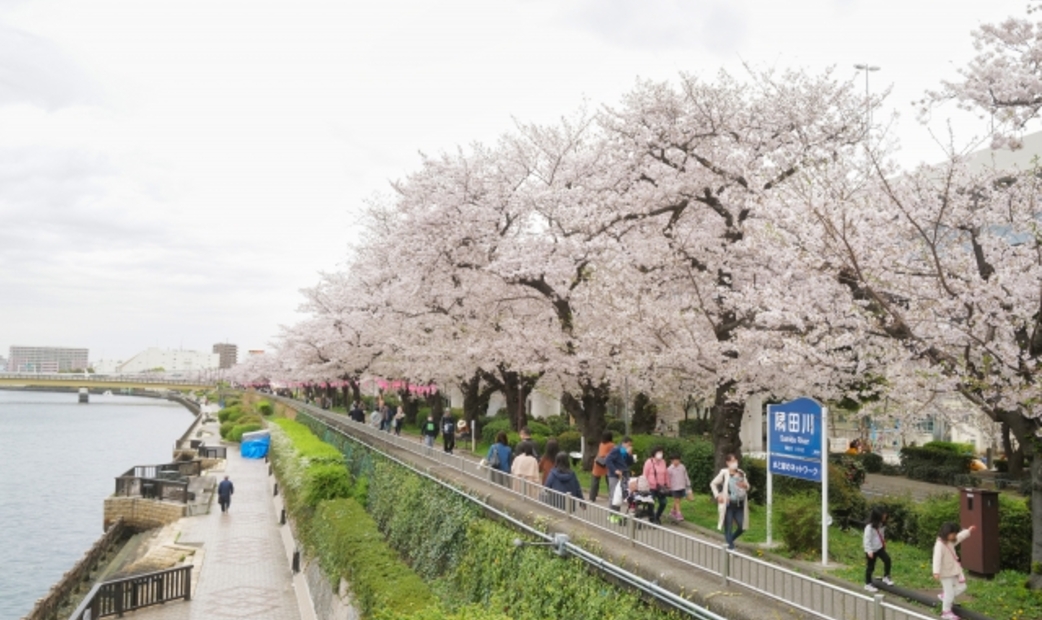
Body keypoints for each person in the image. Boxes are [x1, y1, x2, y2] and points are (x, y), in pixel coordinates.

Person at [933, 522, 975, 620]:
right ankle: (946, 612)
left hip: (953, 570)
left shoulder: (950, 541)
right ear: (947, 533)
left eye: (955, 534)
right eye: (953, 534)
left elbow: (960, 537)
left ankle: (945, 596)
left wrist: (968, 531)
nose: (955, 536)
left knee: (962, 587)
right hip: (945, 573)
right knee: (950, 593)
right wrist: (936, 571)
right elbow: (937, 558)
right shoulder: (940, 544)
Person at [710, 454, 749, 550]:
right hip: (728, 505)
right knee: (728, 526)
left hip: (739, 504)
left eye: (735, 460)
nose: (734, 463)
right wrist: (718, 495)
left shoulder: (741, 473)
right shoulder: (724, 473)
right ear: (727, 463)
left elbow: (747, 486)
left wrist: (745, 485)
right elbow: (713, 483)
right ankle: (731, 547)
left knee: (742, 526)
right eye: (731, 461)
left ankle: (729, 541)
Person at [863, 507, 894, 592]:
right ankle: (868, 584)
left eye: (885, 516)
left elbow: (881, 535)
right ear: (877, 516)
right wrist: (869, 551)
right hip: (871, 550)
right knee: (870, 567)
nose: (885, 518)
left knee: (887, 560)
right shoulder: (869, 527)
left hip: (879, 548)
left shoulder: (882, 525)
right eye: (883, 516)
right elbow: (866, 540)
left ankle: (886, 576)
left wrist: (883, 543)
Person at [605, 436, 635, 514]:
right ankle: (611, 514)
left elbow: (630, 463)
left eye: (630, 445)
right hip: (614, 475)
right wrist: (615, 470)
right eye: (628, 445)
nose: (629, 447)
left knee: (619, 495)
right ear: (623, 443)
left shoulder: (626, 452)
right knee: (613, 494)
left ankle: (616, 513)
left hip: (623, 475)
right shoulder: (616, 450)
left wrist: (630, 455)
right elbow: (608, 460)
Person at [642, 445, 669, 524]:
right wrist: (644, 486)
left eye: (661, 452)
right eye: (659, 452)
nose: (660, 454)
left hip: (661, 487)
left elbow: (666, 473)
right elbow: (645, 474)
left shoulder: (663, 462)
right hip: (651, 486)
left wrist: (668, 484)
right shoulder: (649, 462)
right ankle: (652, 518)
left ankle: (657, 516)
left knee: (663, 502)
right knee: (651, 502)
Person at [590, 430, 615, 503]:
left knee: (595, 481)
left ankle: (592, 497)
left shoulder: (601, 444)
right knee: (609, 481)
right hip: (606, 464)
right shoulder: (611, 445)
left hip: (598, 462)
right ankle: (612, 496)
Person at [666, 453, 692, 523]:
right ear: (671, 461)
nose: (676, 462)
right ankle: (679, 514)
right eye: (674, 460)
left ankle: (672, 511)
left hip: (682, 486)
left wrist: (688, 484)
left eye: (677, 460)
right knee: (677, 501)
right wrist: (668, 486)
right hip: (674, 487)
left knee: (678, 500)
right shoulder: (669, 469)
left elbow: (686, 476)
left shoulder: (682, 467)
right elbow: (667, 479)